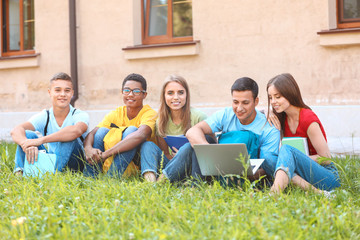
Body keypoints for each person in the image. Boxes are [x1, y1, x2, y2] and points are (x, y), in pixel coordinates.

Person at [160, 77, 280, 183]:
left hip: (247, 175)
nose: (239, 108)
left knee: (189, 147)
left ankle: (169, 181)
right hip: (217, 167)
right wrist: (211, 156)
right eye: (235, 102)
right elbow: (192, 132)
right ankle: (185, 183)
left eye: (245, 103)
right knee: (198, 141)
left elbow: (267, 168)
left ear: (256, 102)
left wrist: (239, 174)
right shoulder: (227, 114)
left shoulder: (269, 128)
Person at [267, 73, 340, 195]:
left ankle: (274, 193)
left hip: (326, 176)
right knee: (269, 159)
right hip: (304, 174)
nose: (273, 101)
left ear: (289, 94)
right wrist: (267, 115)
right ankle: (317, 192)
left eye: (278, 97)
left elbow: (326, 158)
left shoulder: (307, 118)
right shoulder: (281, 118)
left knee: (286, 151)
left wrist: (295, 159)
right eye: (270, 97)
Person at [11, 72, 89, 175]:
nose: (62, 94)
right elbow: (16, 130)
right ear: (49, 92)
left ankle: (50, 175)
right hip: (52, 158)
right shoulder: (46, 116)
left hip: (75, 164)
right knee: (27, 134)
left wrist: (40, 141)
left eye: (67, 90)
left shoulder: (79, 115)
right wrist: (26, 144)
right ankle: (20, 173)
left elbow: (76, 131)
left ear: (72, 93)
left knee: (68, 136)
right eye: (57, 90)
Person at [83, 73, 157, 180]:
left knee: (132, 131)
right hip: (113, 160)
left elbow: (140, 135)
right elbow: (92, 133)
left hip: (137, 163)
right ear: (122, 92)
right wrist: (88, 149)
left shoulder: (149, 113)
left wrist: (105, 154)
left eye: (136, 91)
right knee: (101, 131)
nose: (130, 94)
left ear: (144, 95)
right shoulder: (116, 113)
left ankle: (112, 178)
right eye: (126, 90)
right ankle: (91, 177)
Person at [140, 75, 210, 182]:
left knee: (187, 147)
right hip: (173, 166)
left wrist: (183, 154)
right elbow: (166, 154)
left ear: (187, 95)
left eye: (181, 92)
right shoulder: (161, 121)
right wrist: (176, 159)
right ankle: (150, 183)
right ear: (164, 96)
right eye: (170, 93)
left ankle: (161, 183)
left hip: (193, 168)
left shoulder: (199, 117)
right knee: (147, 145)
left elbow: (210, 149)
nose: (176, 97)